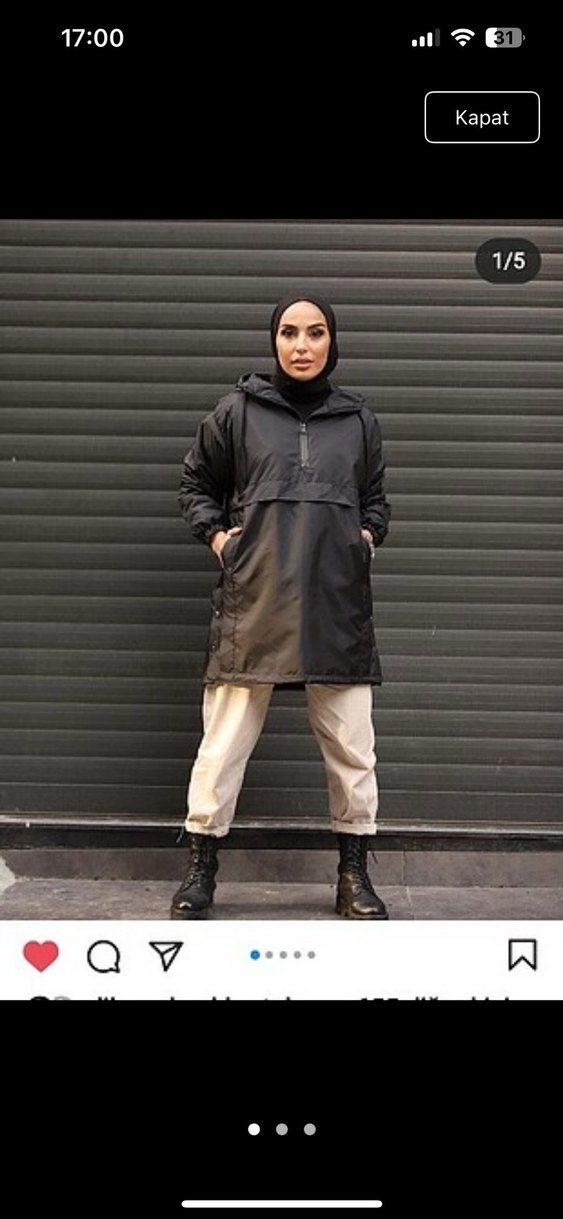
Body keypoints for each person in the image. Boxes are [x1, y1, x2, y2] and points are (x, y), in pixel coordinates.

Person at [172, 295, 391, 920]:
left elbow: (376, 499)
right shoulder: (237, 412)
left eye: (315, 333)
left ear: (331, 342)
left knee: (352, 747)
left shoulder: (358, 420)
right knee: (222, 746)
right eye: (290, 332)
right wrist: (221, 541)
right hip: (256, 597)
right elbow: (195, 484)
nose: (301, 346)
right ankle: (201, 870)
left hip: (336, 603)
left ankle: (353, 875)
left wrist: (364, 539)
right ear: (274, 340)